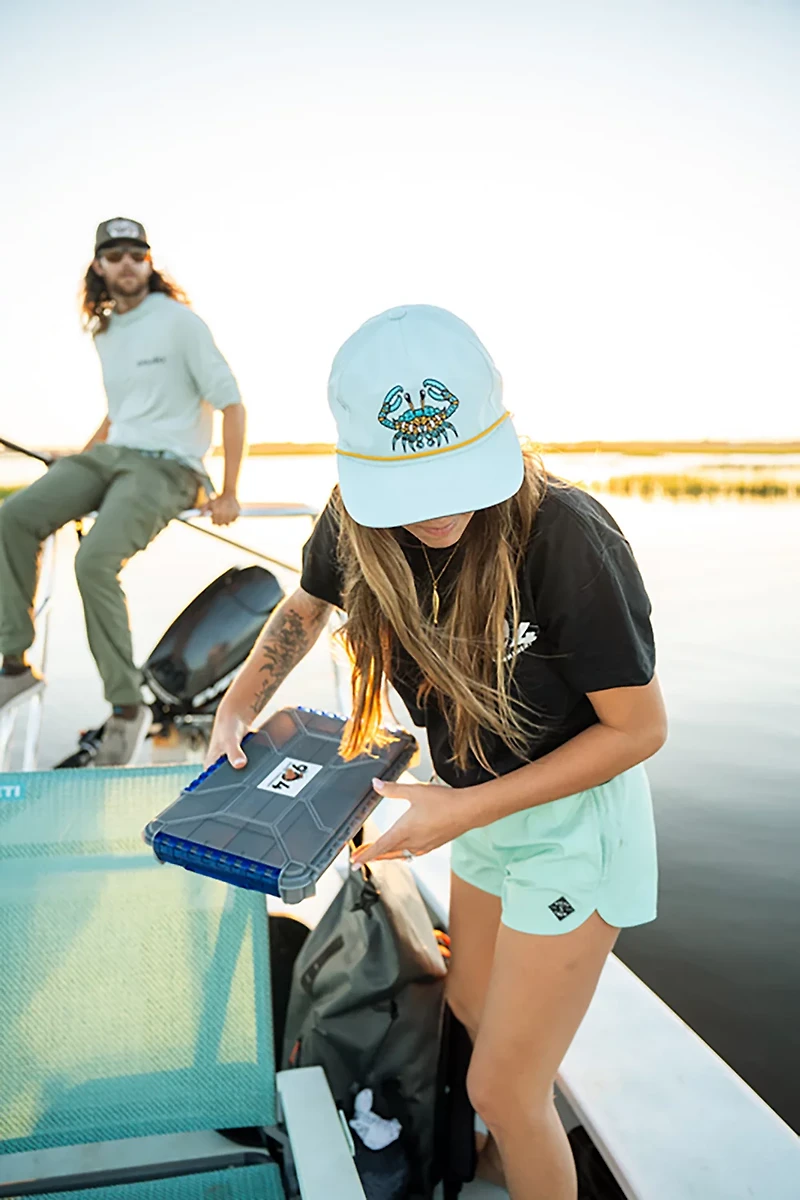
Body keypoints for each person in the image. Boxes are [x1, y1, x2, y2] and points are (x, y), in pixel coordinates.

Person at [205, 305, 667, 1200]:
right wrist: (237, 704)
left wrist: (457, 812)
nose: (440, 509)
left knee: (506, 1084)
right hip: (479, 810)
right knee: (462, 1005)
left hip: (572, 825)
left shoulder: (569, 537)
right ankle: (498, 1165)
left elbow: (639, 731)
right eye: (410, 488)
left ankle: (520, 1148)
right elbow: (305, 608)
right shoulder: (352, 524)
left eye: (456, 477)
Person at [0, 217, 246, 765]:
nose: (127, 264)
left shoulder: (181, 323)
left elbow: (231, 402)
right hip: (112, 455)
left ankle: (126, 705)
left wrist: (228, 490)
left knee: (93, 562)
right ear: (99, 266)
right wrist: (83, 460)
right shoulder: (105, 332)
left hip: (169, 467)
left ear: (149, 262)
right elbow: (122, 411)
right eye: (115, 255)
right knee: (13, 518)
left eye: (138, 254)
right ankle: (13, 664)